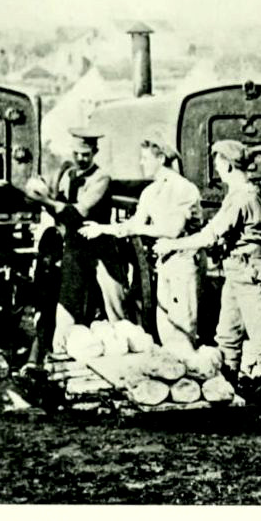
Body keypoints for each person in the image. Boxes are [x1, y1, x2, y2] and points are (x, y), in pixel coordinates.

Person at [153, 139, 261, 429]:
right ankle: (225, 399)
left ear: (227, 164)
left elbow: (209, 235)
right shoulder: (237, 194)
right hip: (237, 274)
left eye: (217, 161)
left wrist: (172, 245)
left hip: (251, 277)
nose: (215, 166)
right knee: (227, 338)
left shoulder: (242, 196)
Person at [79, 128, 203, 358]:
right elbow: (133, 223)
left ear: (161, 158)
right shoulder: (150, 192)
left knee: (183, 331)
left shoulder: (182, 188)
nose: (141, 163)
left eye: (145, 158)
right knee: (165, 329)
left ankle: (194, 379)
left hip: (182, 264)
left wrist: (137, 228)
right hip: (164, 263)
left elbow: (171, 230)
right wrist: (102, 229)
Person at [24, 127, 130, 368]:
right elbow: (56, 205)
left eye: (86, 154)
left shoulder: (101, 178)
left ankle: (124, 353)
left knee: (114, 302)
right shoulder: (67, 173)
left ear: (95, 152)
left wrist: (46, 201)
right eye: (77, 153)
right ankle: (63, 352)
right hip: (73, 245)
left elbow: (77, 213)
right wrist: (40, 193)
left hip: (100, 247)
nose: (81, 159)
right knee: (68, 302)